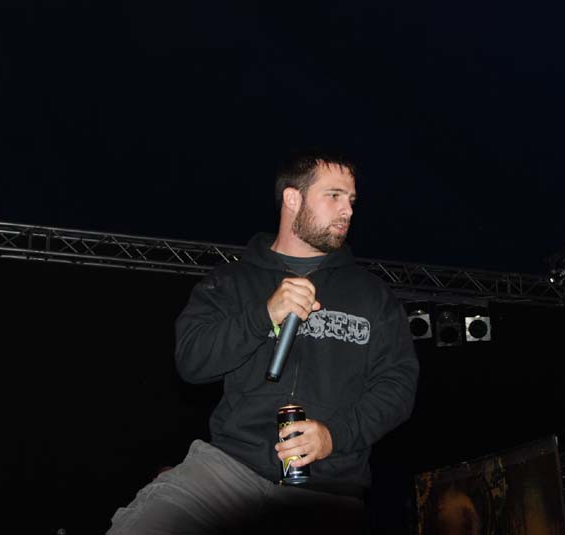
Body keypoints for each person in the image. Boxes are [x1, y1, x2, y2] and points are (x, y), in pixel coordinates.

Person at [106, 149, 419, 534]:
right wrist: (263, 316)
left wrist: (334, 435)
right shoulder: (231, 281)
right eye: (334, 196)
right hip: (228, 471)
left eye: (351, 200)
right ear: (293, 199)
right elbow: (192, 360)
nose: (348, 210)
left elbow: (398, 385)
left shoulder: (372, 295)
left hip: (329, 485)